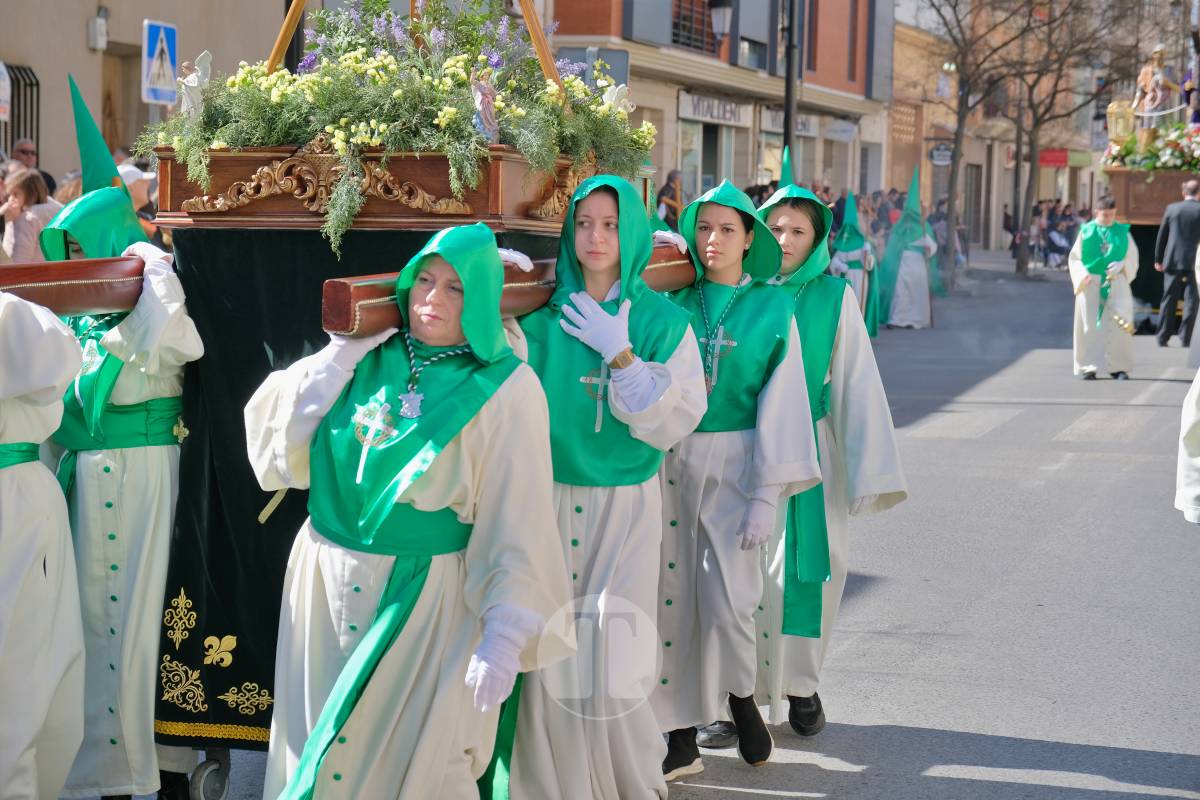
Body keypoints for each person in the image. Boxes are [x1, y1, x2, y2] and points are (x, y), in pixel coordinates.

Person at [247, 223, 574, 798]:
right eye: (424, 280)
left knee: (419, 757)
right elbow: (279, 453)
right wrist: (336, 360)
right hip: (323, 577)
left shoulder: (507, 387)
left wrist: (504, 633)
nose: (431, 299)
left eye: (456, 287)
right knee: (315, 737)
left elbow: (519, 512)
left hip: (424, 597)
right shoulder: (366, 354)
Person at [508, 176, 707, 799]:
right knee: (546, 649)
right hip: (544, 501)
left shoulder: (662, 321)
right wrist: (491, 279)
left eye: (612, 225)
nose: (596, 237)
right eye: (585, 222)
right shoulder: (538, 317)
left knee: (614, 653)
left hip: (624, 506)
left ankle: (622, 783)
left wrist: (620, 354)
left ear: (635, 232)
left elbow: (674, 421)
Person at [697, 179, 907, 751]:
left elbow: (856, 385)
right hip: (737, 446)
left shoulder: (833, 297)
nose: (786, 240)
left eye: (798, 231)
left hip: (810, 451)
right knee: (730, 577)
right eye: (776, 228)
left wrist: (868, 472)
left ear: (817, 240)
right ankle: (730, 697)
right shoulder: (732, 289)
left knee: (808, 572)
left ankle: (801, 686)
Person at [654, 180, 820, 781]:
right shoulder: (671, 297)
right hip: (669, 458)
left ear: (750, 238)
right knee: (669, 599)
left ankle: (740, 696)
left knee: (729, 601)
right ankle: (678, 736)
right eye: (703, 228)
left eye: (727, 229)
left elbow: (785, 402)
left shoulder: (773, 307)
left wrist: (765, 495)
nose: (713, 240)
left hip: (739, 460)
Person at [40, 196, 204, 799]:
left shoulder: (158, 313)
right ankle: (103, 772)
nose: (79, 265)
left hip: (148, 480)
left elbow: (171, 331)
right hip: (86, 486)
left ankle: (168, 765)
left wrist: (143, 256)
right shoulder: (72, 326)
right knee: (92, 622)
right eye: (69, 254)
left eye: (87, 248)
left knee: (149, 619)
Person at [0, 292, 85, 799]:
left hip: (17, 497)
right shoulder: (12, 314)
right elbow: (59, 363)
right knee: (24, 669)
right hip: (15, 503)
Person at [1067, 196, 1139, 380]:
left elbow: (1132, 257)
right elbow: (1074, 258)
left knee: (1119, 326)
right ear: (1096, 212)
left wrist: (1122, 265)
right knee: (1090, 325)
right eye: (1105, 215)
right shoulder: (1086, 231)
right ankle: (1088, 367)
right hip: (1091, 282)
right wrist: (1082, 274)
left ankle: (1118, 367)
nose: (1108, 218)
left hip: (1116, 282)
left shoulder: (1122, 231)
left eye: (1112, 214)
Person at [878, 172, 940, 330]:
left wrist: (929, 249)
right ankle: (897, 319)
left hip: (917, 262)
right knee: (900, 290)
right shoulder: (900, 225)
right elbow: (893, 242)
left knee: (915, 291)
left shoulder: (923, 226)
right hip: (902, 262)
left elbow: (932, 245)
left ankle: (914, 319)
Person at [1153, 179, 1200, 347]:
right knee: (1192, 300)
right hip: (1195, 261)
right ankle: (1186, 337)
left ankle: (1162, 336)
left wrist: (1158, 258)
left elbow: (1162, 234)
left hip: (1173, 259)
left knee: (1168, 299)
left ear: (1183, 192)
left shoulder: (1172, 208)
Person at [829, 190, 880, 337]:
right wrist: (842, 267)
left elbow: (869, 265)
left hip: (860, 275)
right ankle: (848, 330)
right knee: (848, 304)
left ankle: (859, 331)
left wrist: (867, 255)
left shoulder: (863, 244)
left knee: (860, 301)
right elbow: (834, 261)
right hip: (846, 277)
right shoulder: (843, 243)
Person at [1, 168, 62, 263]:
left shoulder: (26, 219)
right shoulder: (58, 210)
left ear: (31, 194)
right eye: (9, 195)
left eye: (15, 194)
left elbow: (20, 261)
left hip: (31, 271)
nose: (10, 199)